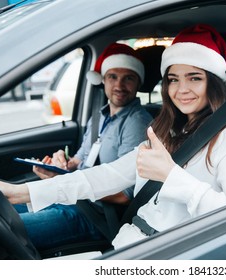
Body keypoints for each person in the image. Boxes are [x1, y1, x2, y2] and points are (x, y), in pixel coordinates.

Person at [0, 24, 226, 250]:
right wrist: (16, 192)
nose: (181, 89)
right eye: (173, 79)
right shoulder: (169, 131)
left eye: (194, 78)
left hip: (171, 253)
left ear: (216, 82)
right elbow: (104, 176)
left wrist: (172, 176)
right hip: (127, 244)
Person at [13, 42, 153, 251]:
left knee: (5, 227)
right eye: (113, 77)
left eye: (129, 78)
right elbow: (80, 159)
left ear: (138, 82)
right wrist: (62, 163)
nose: (119, 85)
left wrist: (63, 180)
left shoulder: (137, 122)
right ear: (103, 80)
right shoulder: (99, 116)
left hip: (97, 215)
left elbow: (125, 195)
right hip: (72, 197)